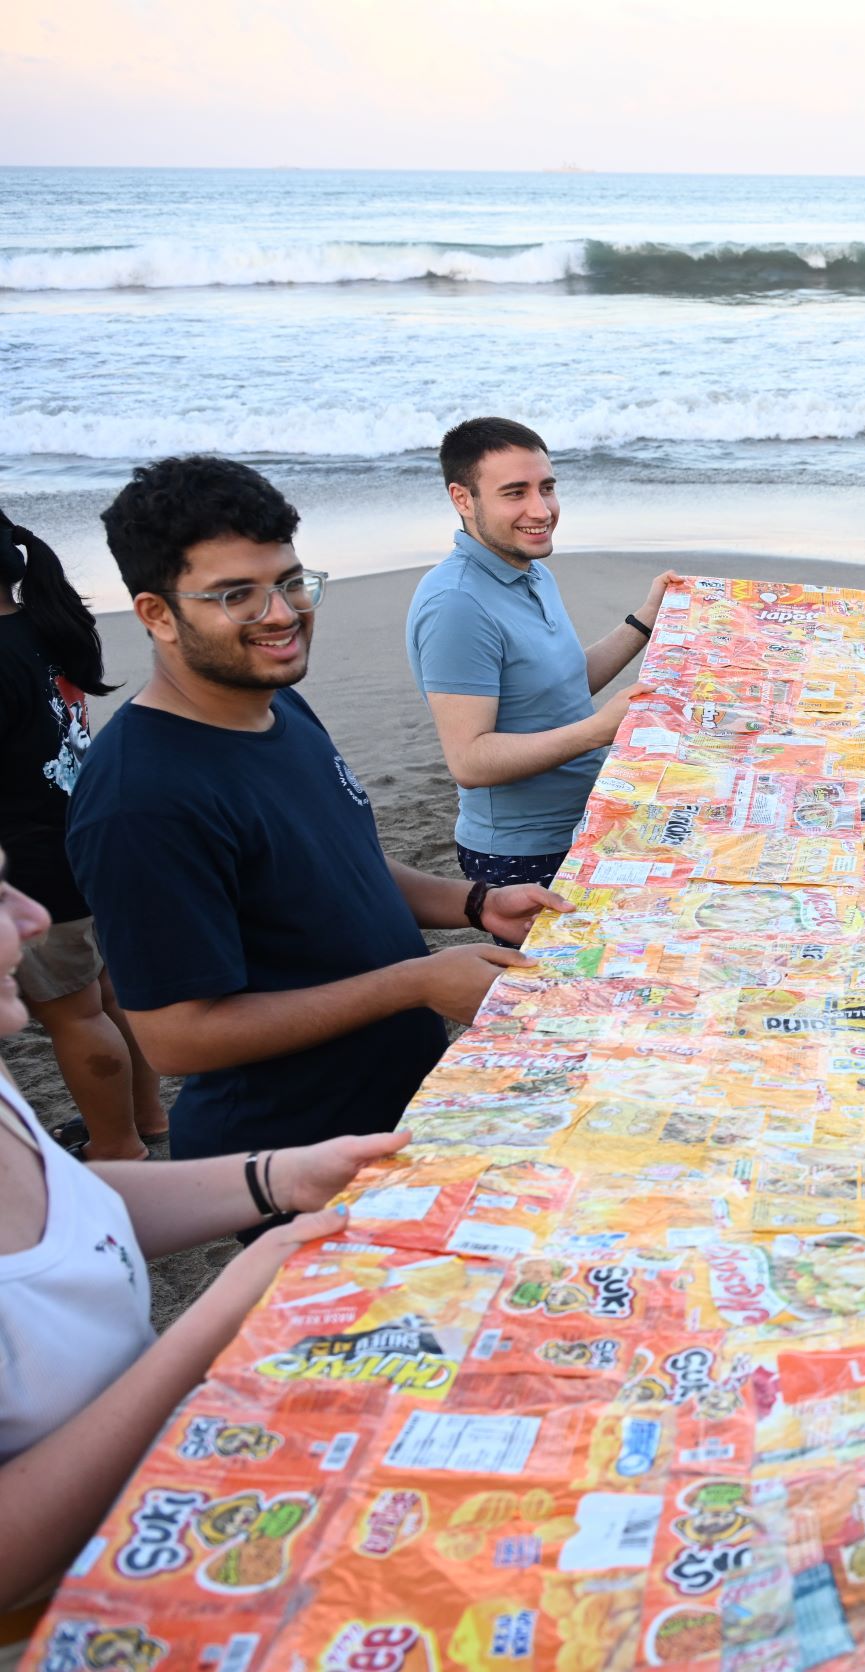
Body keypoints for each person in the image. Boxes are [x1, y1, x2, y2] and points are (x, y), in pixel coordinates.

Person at [66, 456, 567, 1161]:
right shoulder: (140, 798)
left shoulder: (277, 706)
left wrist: (477, 902)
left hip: (392, 1103)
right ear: (158, 614)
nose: (281, 614)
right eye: (236, 594)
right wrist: (416, 982)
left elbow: (339, 863)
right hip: (288, 1146)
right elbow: (175, 1036)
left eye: (291, 582)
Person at [0, 844, 404, 1635]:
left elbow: (65, 1204)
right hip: (66, 1606)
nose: (34, 916)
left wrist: (279, 1178)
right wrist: (215, 1326)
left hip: (164, 1491)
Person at [407, 418, 670, 908]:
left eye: (546, 488)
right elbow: (470, 760)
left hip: (585, 816)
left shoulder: (529, 571)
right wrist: (599, 730)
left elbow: (561, 686)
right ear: (463, 498)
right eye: (514, 493)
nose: (540, 509)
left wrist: (646, 620)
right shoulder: (456, 603)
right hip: (523, 854)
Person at [0, 514, 164, 1160]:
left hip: (32, 863)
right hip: (87, 833)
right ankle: (146, 1119)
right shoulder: (45, 623)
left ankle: (118, 1148)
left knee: (71, 1011)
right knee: (107, 990)